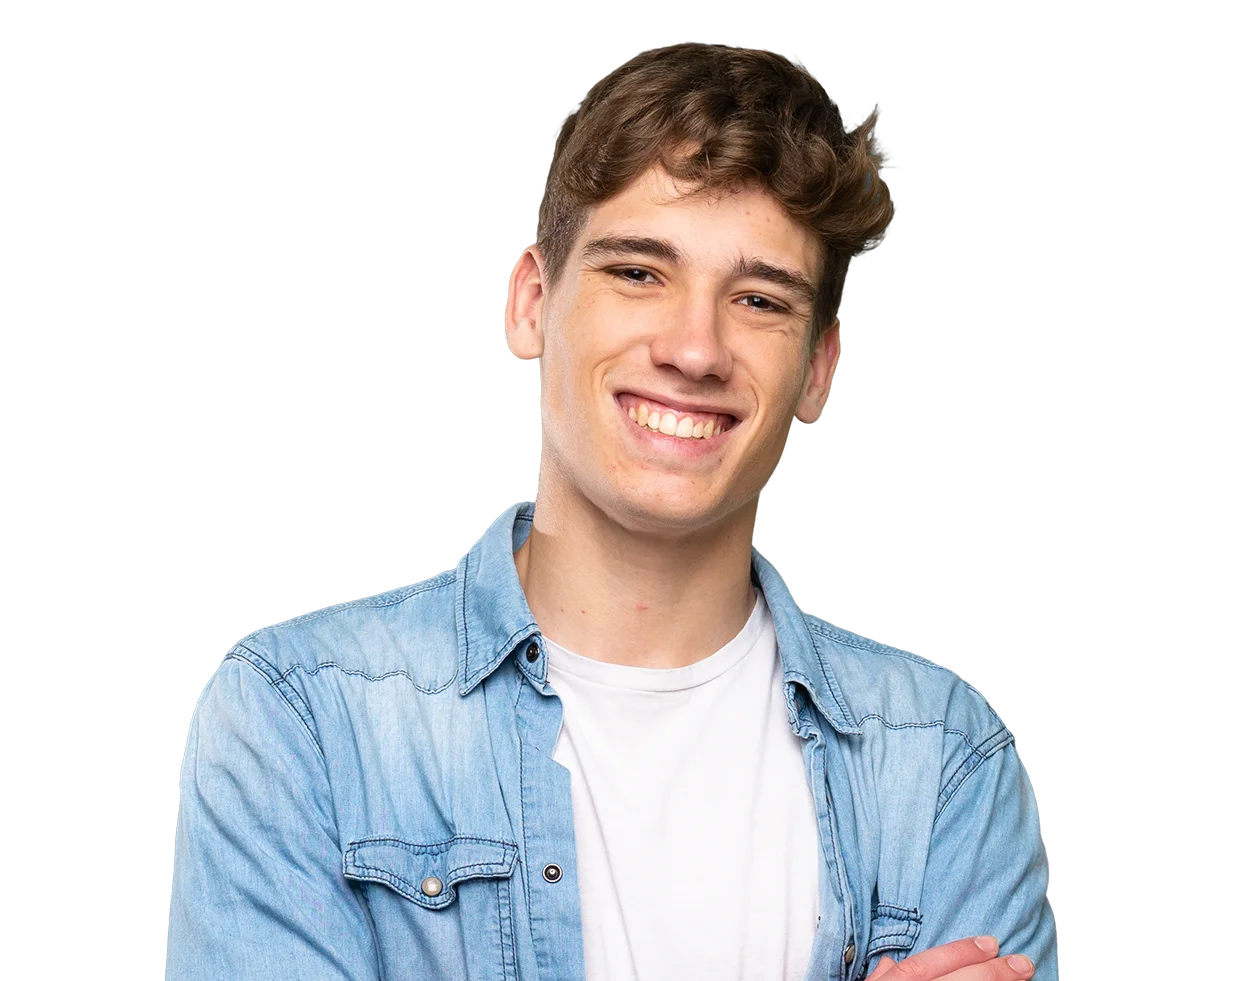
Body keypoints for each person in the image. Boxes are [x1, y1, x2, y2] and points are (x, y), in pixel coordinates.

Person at [166, 41, 1058, 981]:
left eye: (759, 299)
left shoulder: (942, 760)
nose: (694, 348)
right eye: (638, 272)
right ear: (530, 303)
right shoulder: (302, 716)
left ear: (818, 369)